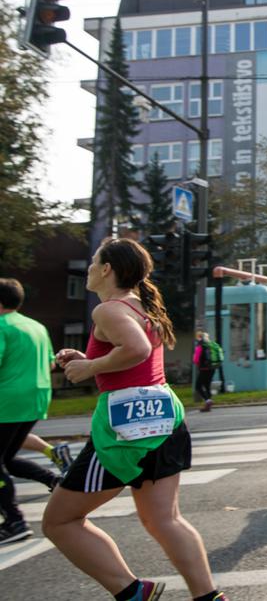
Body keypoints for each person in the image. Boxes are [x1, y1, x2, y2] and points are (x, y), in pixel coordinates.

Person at [42, 238, 227, 601]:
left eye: (95, 262)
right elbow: (135, 359)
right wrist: (88, 357)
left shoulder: (108, 309)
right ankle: (209, 598)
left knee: (59, 521)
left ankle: (133, 592)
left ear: (107, 269)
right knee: (164, 520)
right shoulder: (141, 307)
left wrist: (91, 366)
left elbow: (136, 350)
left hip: (126, 429)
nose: (90, 268)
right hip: (164, 419)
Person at [0, 278, 61, 545]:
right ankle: (55, 481)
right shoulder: (36, 326)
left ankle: (14, 520)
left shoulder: (2, 326)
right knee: (8, 459)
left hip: (6, 401)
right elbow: (51, 365)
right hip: (36, 399)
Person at [193, 332, 216, 412]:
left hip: (204, 369)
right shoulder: (210, 344)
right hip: (212, 368)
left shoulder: (200, 345)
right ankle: (208, 406)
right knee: (207, 386)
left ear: (199, 337)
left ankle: (208, 401)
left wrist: (199, 364)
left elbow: (195, 360)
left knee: (198, 386)